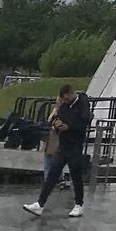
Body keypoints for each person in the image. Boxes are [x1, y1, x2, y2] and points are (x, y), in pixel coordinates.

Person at [22, 85, 92, 219]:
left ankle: (79, 204)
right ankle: (40, 204)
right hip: (63, 144)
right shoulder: (64, 106)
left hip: (75, 145)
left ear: (71, 94)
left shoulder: (82, 104)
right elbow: (55, 118)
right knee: (52, 174)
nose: (65, 101)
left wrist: (69, 127)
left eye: (66, 98)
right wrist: (57, 124)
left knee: (76, 174)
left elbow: (83, 122)